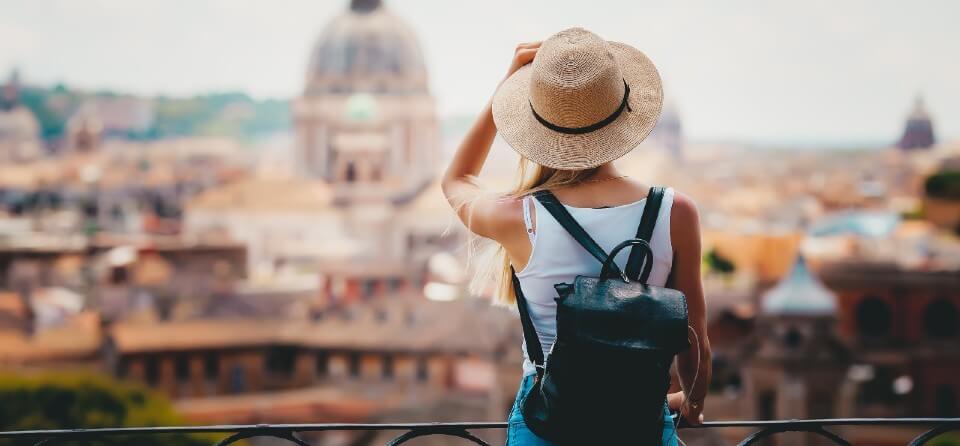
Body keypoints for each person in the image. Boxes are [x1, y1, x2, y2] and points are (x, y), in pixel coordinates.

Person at [441, 28, 711, 445]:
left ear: (535, 122)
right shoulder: (676, 212)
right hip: (638, 423)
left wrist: (504, 89)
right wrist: (691, 406)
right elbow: (694, 341)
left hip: (547, 425)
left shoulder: (520, 216)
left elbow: (457, 180)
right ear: (623, 115)